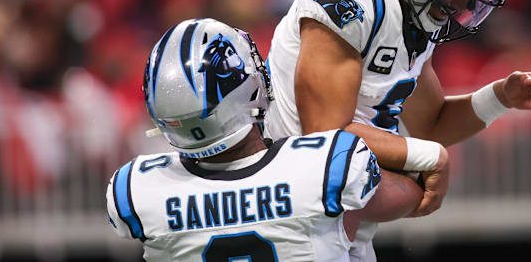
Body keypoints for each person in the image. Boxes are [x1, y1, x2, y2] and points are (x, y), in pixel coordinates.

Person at [265, 0, 531, 260]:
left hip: (334, 230)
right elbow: (325, 136)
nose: (459, 7)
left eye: (473, 0)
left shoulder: (414, 20)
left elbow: (430, 125)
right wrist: (426, 159)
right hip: (288, 222)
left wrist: (500, 96)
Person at [106, 19, 422, 262]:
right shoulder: (326, 165)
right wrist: (424, 157)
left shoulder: (136, 189)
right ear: (247, 91)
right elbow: (411, 195)